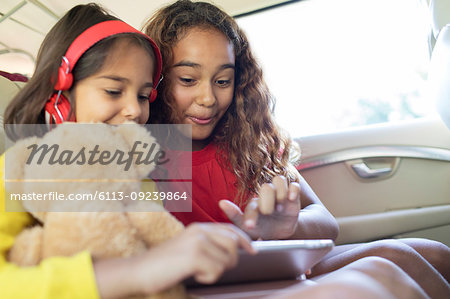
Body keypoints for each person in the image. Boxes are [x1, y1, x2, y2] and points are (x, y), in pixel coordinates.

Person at [143, 1, 450, 298]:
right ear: (155, 79)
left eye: (223, 80)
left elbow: (327, 223)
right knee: (393, 259)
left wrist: (282, 229)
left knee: (434, 254)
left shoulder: (245, 143)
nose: (208, 97)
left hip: (276, 268)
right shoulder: (144, 156)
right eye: (187, 79)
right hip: (214, 285)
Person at [0, 4, 256, 298]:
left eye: (143, 96)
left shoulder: (138, 176)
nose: (134, 110)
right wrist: (135, 273)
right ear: (60, 94)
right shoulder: (20, 170)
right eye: (113, 91)